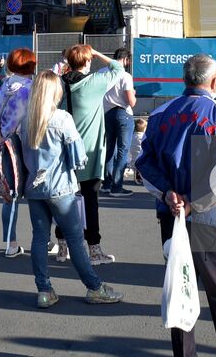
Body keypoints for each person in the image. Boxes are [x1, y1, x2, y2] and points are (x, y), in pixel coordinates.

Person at [136, 54, 216, 357]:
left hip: (171, 215)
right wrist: (194, 204)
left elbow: (144, 164)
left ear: (184, 80)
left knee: (180, 289)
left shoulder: (160, 114)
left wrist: (168, 193)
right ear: (214, 81)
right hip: (213, 217)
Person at [22, 71, 124, 309]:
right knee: (76, 240)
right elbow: (78, 158)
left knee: (39, 239)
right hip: (60, 188)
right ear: (54, 92)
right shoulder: (61, 118)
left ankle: (44, 290)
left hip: (34, 189)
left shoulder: (26, 119)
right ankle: (94, 287)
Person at [54, 45, 125, 265]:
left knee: (65, 199)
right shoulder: (93, 83)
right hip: (88, 152)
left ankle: (62, 248)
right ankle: (94, 251)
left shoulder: (60, 83)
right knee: (90, 200)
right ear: (87, 61)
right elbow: (118, 69)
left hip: (63, 151)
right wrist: (97, 53)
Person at [0, 47, 38, 256]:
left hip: (8, 144)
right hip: (32, 143)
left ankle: (11, 243)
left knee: (10, 195)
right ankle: (43, 240)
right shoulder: (34, 88)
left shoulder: (4, 86)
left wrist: (0, 139)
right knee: (38, 194)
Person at [101, 47, 137, 196]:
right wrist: (134, 95)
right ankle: (117, 186)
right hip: (123, 113)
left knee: (109, 149)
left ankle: (107, 183)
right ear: (126, 60)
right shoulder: (125, 75)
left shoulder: (103, 73)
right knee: (122, 150)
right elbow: (131, 101)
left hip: (106, 113)